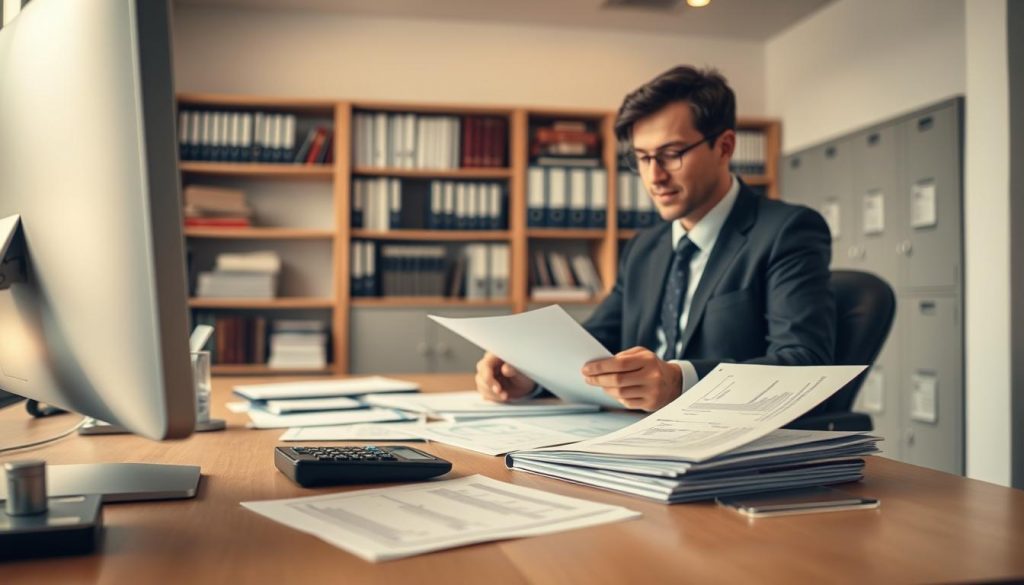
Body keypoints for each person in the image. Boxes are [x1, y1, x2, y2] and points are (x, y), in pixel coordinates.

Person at [475, 65, 836, 412]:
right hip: (634, 434)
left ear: (725, 147)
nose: (654, 177)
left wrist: (680, 381)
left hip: (729, 446)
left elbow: (803, 363)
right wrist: (529, 375)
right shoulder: (645, 247)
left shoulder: (787, 231)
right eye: (642, 158)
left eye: (670, 155)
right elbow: (594, 345)